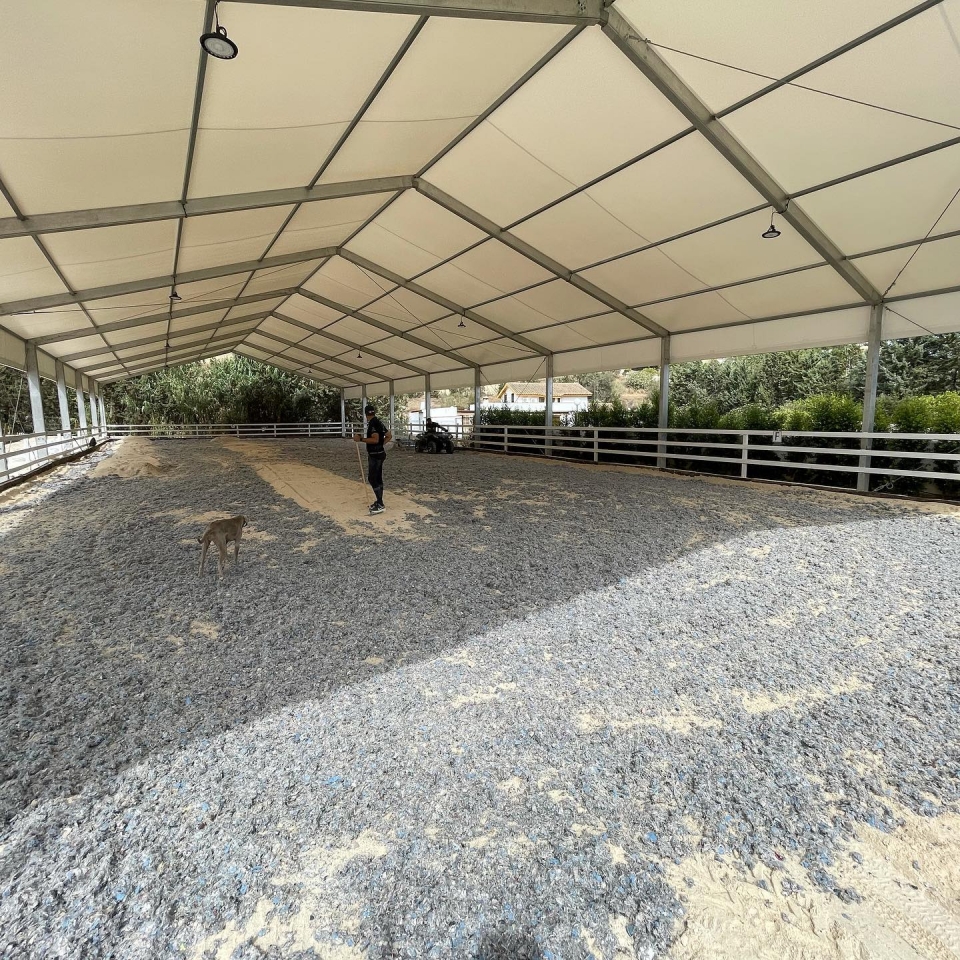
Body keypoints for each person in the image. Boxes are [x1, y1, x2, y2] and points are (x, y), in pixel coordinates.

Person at [353, 404, 391, 514]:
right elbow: (389, 436)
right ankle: (379, 501)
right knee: (377, 478)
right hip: (380, 453)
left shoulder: (373, 424)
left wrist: (361, 439)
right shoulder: (379, 422)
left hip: (375, 455)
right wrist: (381, 445)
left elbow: (375, 439)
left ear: (365, 414)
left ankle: (380, 504)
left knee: (373, 478)